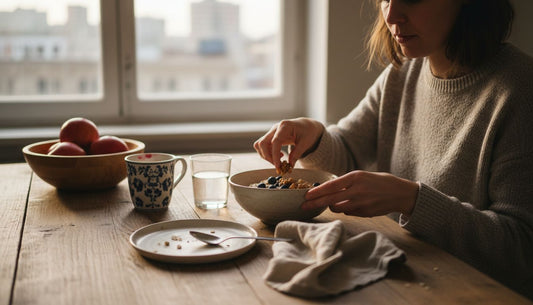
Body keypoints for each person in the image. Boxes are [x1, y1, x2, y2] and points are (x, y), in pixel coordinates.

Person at [253, 0, 533, 299]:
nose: (391, 15)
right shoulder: (404, 72)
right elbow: (347, 148)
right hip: (404, 280)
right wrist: (314, 135)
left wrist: (411, 199)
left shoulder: (520, 90)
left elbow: (521, 250)